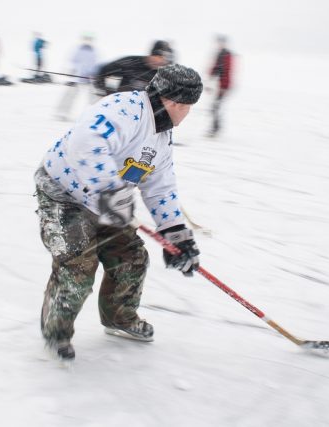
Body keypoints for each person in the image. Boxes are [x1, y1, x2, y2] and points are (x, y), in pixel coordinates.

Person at [34, 64, 204, 360]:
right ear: (176, 103)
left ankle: (119, 318)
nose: (188, 114)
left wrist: (176, 234)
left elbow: (160, 186)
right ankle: (56, 332)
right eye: (189, 107)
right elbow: (86, 144)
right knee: (78, 265)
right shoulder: (123, 109)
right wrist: (110, 193)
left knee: (131, 258)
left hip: (109, 200)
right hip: (65, 194)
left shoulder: (161, 136)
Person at [93, 40, 173, 96]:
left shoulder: (163, 75)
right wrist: (108, 93)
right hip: (117, 105)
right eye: (158, 56)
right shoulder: (130, 63)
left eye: (164, 60)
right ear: (152, 54)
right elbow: (103, 72)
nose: (160, 61)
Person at [56, 35, 99, 120]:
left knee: (93, 96)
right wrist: (71, 71)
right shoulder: (77, 50)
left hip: (89, 78)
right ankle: (62, 112)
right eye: (86, 39)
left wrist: (94, 74)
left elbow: (97, 64)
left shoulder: (94, 51)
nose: (88, 41)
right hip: (76, 77)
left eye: (89, 39)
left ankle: (96, 114)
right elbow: (70, 61)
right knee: (70, 95)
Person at [207, 34, 234, 137]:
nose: (219, 44)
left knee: (215, 107)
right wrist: (210, 78)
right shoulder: (220, 54)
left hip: (224, 85)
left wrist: (224, 87)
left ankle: (215, 128)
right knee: (215, 107)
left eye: (221, 42)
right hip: (220, 85)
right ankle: (215, 127)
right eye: (218, 42)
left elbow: (226, 70)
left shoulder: (226, 54)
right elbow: (216, 68)